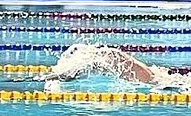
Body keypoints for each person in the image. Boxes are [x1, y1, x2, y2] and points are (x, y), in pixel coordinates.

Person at [33, 44, 176, 93]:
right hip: (158, 79)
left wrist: (50, 78)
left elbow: (70, 74)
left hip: (157, 83)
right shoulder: (108, 55)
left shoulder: (102, 58)